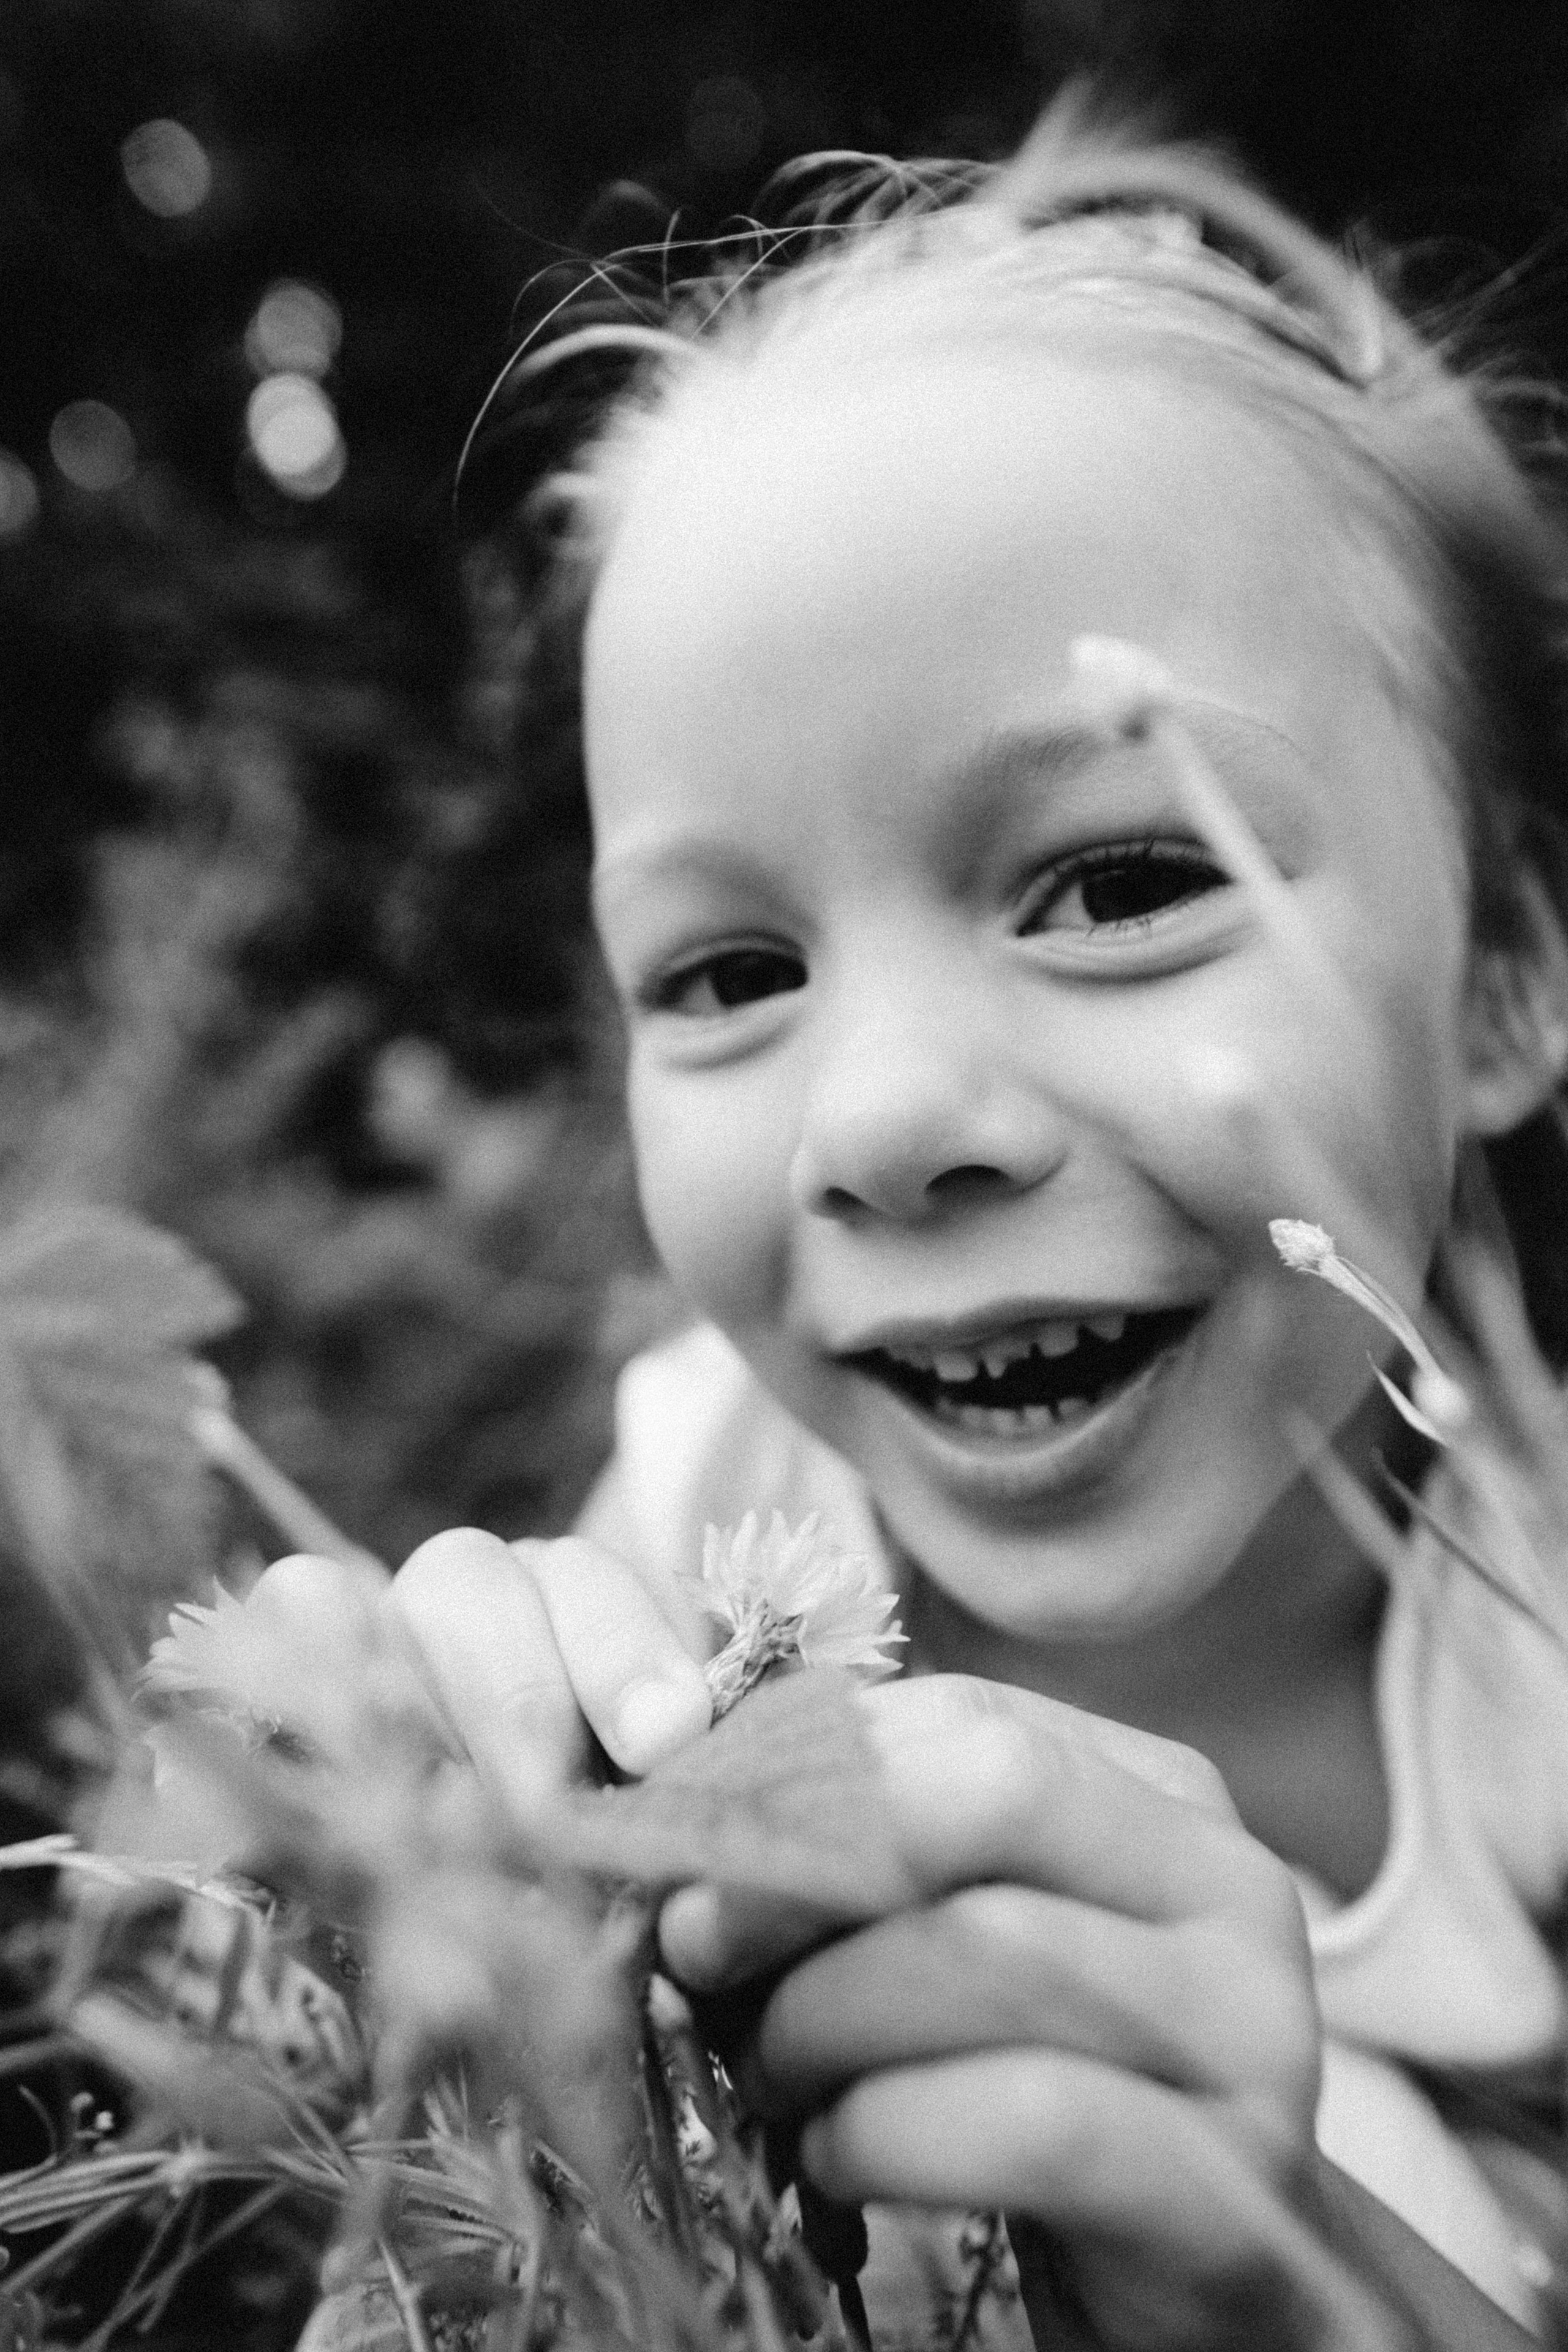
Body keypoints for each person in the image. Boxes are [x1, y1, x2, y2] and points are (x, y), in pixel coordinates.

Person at [258, 110, 1568, 2346]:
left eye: (1124, 886)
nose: (876, 1125)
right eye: (728, 975)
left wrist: (1301, 2288)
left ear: (1510, 979)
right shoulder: (707, 1530)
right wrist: (436, 1976)